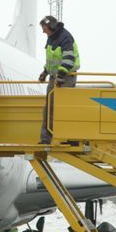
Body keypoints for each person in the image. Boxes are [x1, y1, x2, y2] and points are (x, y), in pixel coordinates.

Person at [38, 15, 80, 144]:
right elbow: (52, 60)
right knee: (49, 107)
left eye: (44, 28)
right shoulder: (51, 38)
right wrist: (45, 71)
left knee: (64, 107)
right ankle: (46, 138)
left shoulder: (65, 37)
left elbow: (68, 59)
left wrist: (61, 76)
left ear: (51, 26)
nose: (43, 31)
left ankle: (70, 138)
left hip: (66, 77)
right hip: (55, 76)